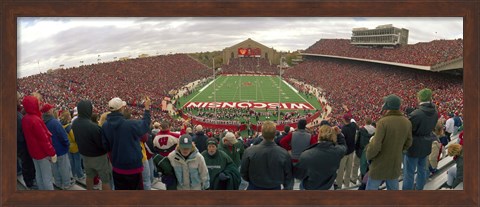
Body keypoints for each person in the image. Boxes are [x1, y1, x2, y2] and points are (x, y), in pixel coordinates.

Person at [102, 97, 151, 190]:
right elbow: (145, 124)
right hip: (133, 167)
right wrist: (147, 108)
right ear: (121, 109)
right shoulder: (130, 124)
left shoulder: (105, 126)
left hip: (117, 166)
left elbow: (106, 146)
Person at [365, 94, 412, 190]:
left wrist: (368, 156)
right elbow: (409, 142)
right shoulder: (407, 122)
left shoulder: (383, 122)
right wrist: (398, 150)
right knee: (393, 192)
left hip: (379, 164)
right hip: (395, 163)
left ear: (388, 105)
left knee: (370, 193)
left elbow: (376, 145)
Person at [403, 88, 439, 190]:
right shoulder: (435, 112)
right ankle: (419, 189)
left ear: (419, 98)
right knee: (422, 170)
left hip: (414, 146)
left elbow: (408, 130)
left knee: (409, 172)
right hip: (426, 144)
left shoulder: (416, 114)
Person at [241, 121, 293, 190]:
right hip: (274, 188)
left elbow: (244, 173)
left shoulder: (249, 151)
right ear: (275, 134)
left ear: (262, 133)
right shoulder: (283, 153)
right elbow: (288, 176)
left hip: (254, 186)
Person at [72, 100, 112, 190]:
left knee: (89, 177)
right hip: (99, 157)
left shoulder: (75, 123)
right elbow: (102, 145)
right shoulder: (94, 127)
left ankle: (89, 196)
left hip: (85, 155)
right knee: (105, 180)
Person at [294, 124, 346, 190]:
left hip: (309, 188)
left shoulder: (306, 154)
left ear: (319, 135)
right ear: (333, 136)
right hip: (328, 187)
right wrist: (339, 134)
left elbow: (299, 175)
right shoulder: (338, 151)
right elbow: (344, 146)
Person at [21, 95, 57, 190]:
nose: (40, 104)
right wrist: (52, 153)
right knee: (47, 177)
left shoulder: (25, 118)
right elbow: (44, 140)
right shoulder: (35, 120)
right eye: (37, 103)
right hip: (42, 153)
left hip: (33, 152)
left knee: (39, 174)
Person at [41, 104, 72, 190]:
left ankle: (58, 183)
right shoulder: (54, 122)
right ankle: (66, 184)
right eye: (51, 108)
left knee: (55, 167)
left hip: (51, 149)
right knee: (64, 167)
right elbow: (63, 135)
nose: (53, 109)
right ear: (49, 111)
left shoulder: (43, 122)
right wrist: (67, 144)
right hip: (60, 148)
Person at [17, 92, 36, 189]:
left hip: (23, 143)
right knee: (26, 162)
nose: (20, 101)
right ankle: (29, 183)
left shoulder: (19, 113)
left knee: (26, 162)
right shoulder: (17, 115)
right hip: (22, 144)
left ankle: (30, 180)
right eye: (18, 99)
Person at [59, 110, 85, 182]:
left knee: (72, 162)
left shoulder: (61, 125)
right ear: (68, 117)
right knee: (77, 161)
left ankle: (73, 174)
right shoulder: (68, 127)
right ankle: (80, 175)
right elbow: (74, 138)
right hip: (74, 146)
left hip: (68, 146)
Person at [335, 110, 358, 189]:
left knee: (341, 170)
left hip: (344, 152)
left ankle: (339, 185)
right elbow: (353, 121)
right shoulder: (353, 125)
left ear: (344, 120)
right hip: (351, 151)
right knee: (348, 169)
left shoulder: (344, 129)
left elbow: (340, 140)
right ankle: (347, 184)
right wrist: (347, 110)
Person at [353, 117, 375, 185]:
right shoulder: (375, 130)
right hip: (369, 150)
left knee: (356, 164)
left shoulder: (361, 130)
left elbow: (357, 140)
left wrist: (356, 149)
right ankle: (361, 178)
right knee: (365, 165)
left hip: (360, 150)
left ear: (365, 121)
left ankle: (354, 178)